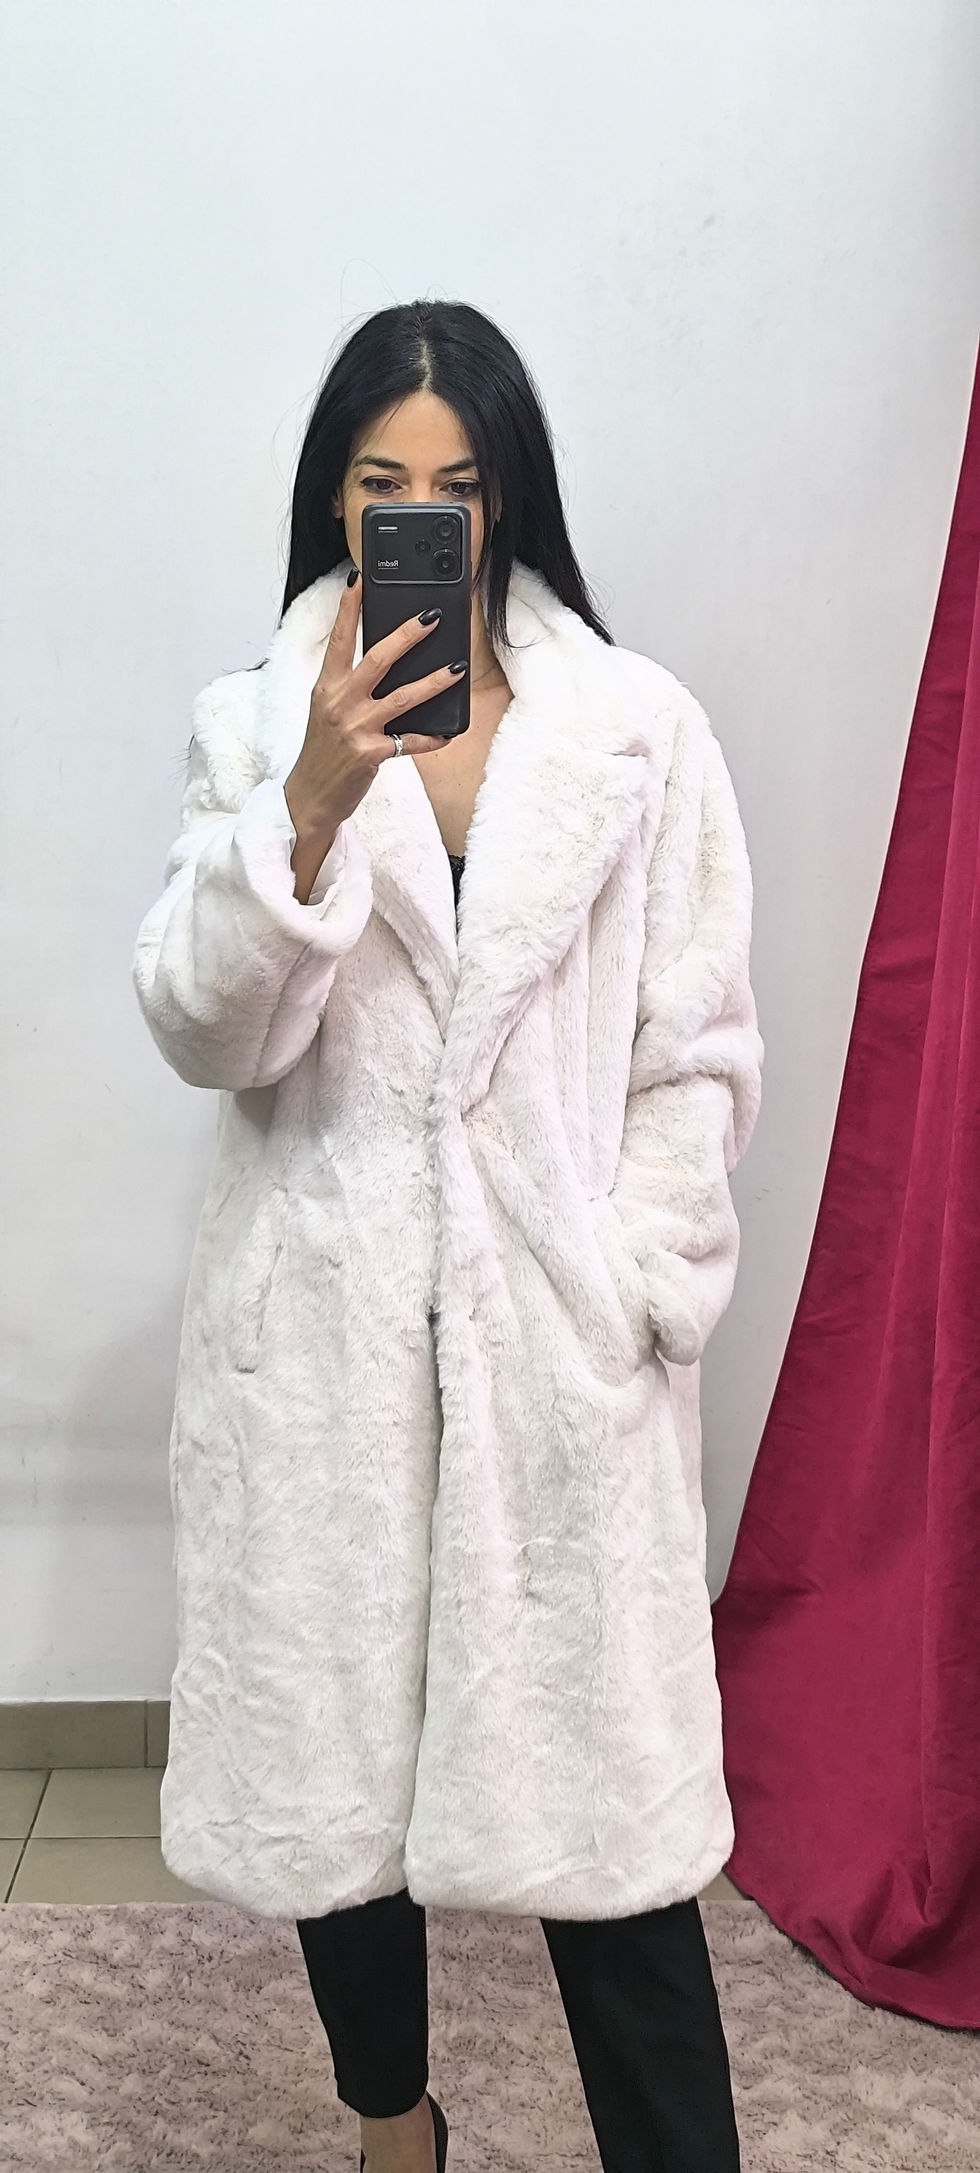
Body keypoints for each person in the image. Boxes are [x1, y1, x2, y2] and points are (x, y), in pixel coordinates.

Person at [133, 299, 763, 2173]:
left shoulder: (641, 736)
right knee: (338, 1810)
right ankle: (392, 2122)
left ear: (508, 502)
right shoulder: (256, 728)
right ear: (336, 503)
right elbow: (207, 1032)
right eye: (382, 481)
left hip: (553, 1356)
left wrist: (643, 1280)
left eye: (460, 485)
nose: (422, 515)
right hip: (322, 1346)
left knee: (617, 1854)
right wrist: (308, 807)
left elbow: (694, 1048)